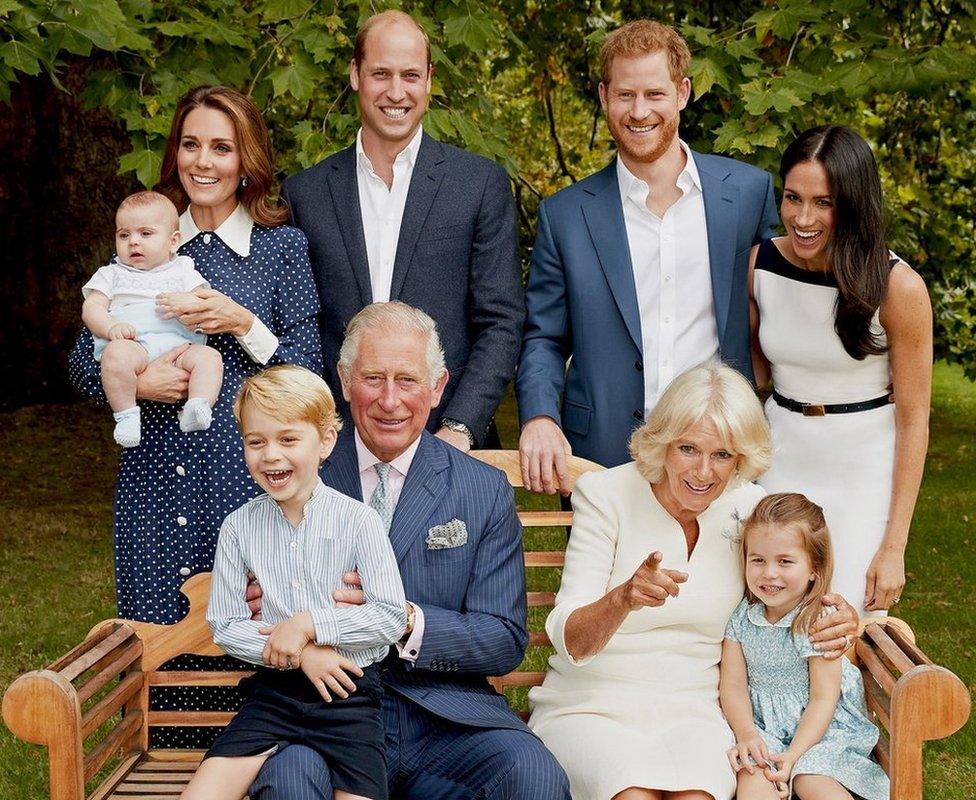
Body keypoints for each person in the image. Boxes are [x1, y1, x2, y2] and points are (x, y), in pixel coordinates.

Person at [67, 85, 323, 745]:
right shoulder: (145, 239)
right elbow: (77, 362)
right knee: (161, 665)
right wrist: (136, 380)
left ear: (247, 159)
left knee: (258, 661)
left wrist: (243, 323)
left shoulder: (281, 249)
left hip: (248, 493)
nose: (203, 161)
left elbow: (309, 371)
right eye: (190, 144)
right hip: (153, 486)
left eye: (221, 146)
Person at [249, 302, 570, 800]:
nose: (390, 400)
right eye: (373, 378)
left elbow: (503, 639)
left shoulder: (480, 490)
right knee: (290, 781)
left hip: (445, 717)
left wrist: (403, 621)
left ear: (438, 387)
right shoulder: (290, 475)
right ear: (343, 378)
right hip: (320, 713)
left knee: (534, 777)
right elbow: (250, 602)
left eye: (408, 380)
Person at [526, 363, 858, 800]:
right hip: (593, 702)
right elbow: (572, 640)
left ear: (741, 458)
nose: (704, 472)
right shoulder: (605, 495)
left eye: (722, 455)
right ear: (662, 442)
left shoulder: (747, 507)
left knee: (698, 795)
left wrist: (840, 614)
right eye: (688, 449)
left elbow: (789, 588)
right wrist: (623, 599)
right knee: (632, 795)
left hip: (696, 708)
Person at [517, 19, 779, 490]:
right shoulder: (565, 215)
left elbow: (779, 306)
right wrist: (539, 415)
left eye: (655, 94)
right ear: (603, 95)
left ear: (682, 92)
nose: (639, 111)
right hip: (601, 453)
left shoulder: (746, 194)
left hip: (721, 452)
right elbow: (544, 338)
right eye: (625, 94)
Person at [283, 10, 523, 452]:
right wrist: (322, 426)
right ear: (355, 74)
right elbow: (300, 326)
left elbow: (501, 322)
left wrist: (460, 427)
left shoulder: (478, 184)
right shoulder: (305, 194)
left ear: (429, 79)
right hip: (336, 446)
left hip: (449, 441)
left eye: (411, 75)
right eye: (381, 73)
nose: (397, 92)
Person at [182, 365, 406, 800]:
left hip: (350, 694)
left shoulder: (359, 521)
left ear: (324, 441)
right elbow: (226, 625)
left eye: (288, 439)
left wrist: (308, 625)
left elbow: (390, 617)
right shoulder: (239, 527)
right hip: (274, 695)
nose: (270, 455)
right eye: (256, 442)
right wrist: (301, 654)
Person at [749, 125, 932, 615]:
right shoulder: (760, 265)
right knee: (768, 617)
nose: (802, 218)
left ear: (852, 204)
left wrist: (893, 547)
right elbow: (753, 377)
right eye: (792, 198)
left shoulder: (898, 288)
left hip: (862, 470)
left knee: (842, 625)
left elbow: (914, 421)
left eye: (823, 202)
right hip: (779, 459)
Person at [720, 493, 889, 800]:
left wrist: (795, 755)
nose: (769, 573)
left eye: (785, 561)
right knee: (752, 782)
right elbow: (732, 685)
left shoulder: (819, 621)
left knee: (811, 779)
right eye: (758, 560)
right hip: (763, 728)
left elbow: (823, 698)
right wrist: (747, 735)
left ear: (815, 568)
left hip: (821, 732)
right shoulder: (741, 620)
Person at [82, 191, 223, 447]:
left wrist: (189, 302)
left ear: (173, 241)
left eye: (145, 234)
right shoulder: (111, 274)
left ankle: (198, 405)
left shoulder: (184, 270)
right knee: (115, 357)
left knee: (210, 358)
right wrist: (110, 327)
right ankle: (126, 415)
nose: (133, 242)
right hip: (133, 345)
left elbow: (205, 301)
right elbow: (91, 308)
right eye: (124, 234)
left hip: (180, 347)